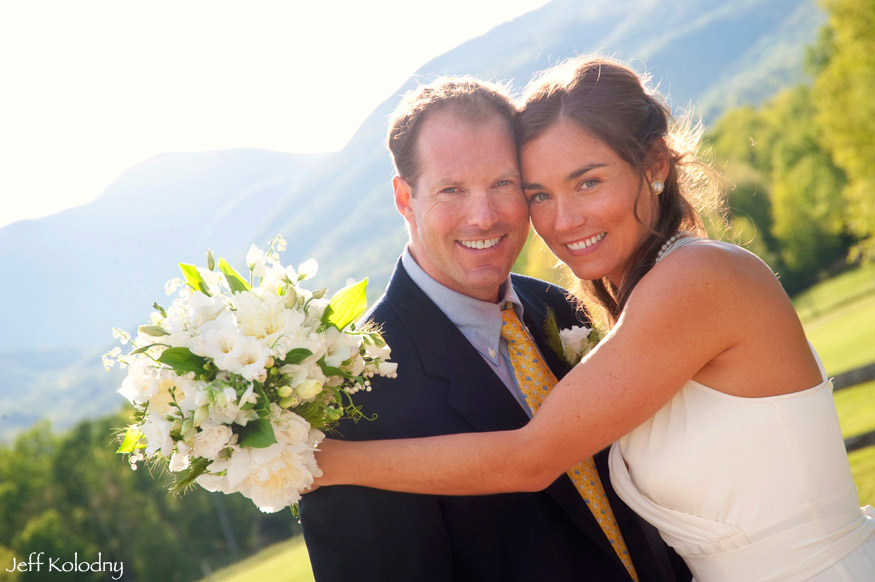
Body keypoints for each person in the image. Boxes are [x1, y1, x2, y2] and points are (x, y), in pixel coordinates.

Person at [311, 57, 875, 581]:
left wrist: (317, 463)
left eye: (587, 181)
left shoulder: (695, 281)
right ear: (405, 200)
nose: (563, 220)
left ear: (653, 165)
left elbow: (531, 459)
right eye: (540, 193)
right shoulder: (354, 390)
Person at [299, 76, 690, 582]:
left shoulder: (562, 307)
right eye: (452, 190)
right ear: (405, 199)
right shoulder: (352, 396)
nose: (483, 217)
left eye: (504, 184)